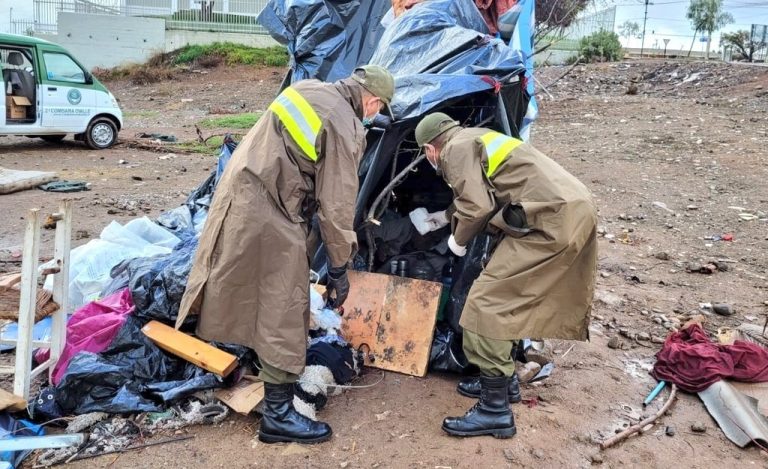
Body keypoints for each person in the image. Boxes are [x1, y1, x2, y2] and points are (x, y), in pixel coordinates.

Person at [177, 65, 395, 444]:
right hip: (270, 211)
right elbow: (337, 205)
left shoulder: (309, 88)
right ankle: (278, 417)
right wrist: (340, 266)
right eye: (379, 109)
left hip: (240, 195)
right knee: (284, 305)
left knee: (255, 295)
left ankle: (268, 383)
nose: (375, 115)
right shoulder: (344, 122)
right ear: (373, 100)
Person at [413, 112, 597, 439]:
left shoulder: (454, 149)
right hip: (565, 210)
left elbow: (477, 207)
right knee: (507, 298)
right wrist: (444, 216)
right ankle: (504, 382)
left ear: (430, 149)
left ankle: (494, 410)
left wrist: (456, 243)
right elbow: (487, 193)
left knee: (486, 304)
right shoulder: (475, 136)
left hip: (551, 221)